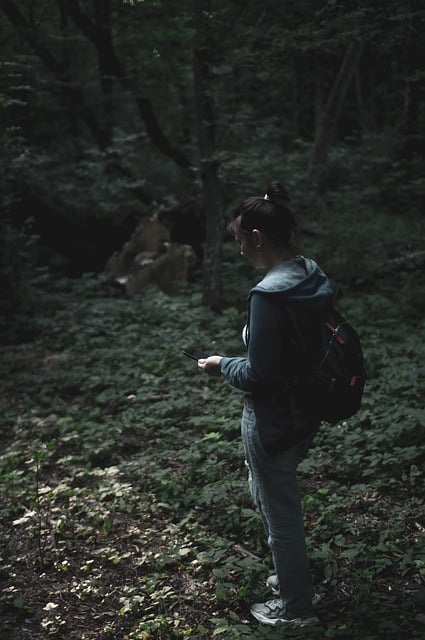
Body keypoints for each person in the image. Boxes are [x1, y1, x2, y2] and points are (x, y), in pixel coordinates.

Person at [198, 181, 334, 627]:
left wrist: (222, 363)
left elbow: (259, 375)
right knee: (270, 492)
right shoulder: (309, 273)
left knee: (281, 517)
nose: (237, 249)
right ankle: (291, 576)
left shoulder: (267, 296)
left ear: (256, 238)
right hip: (306, 409)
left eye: (239, 240)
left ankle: (297, 610)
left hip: (273, 417)